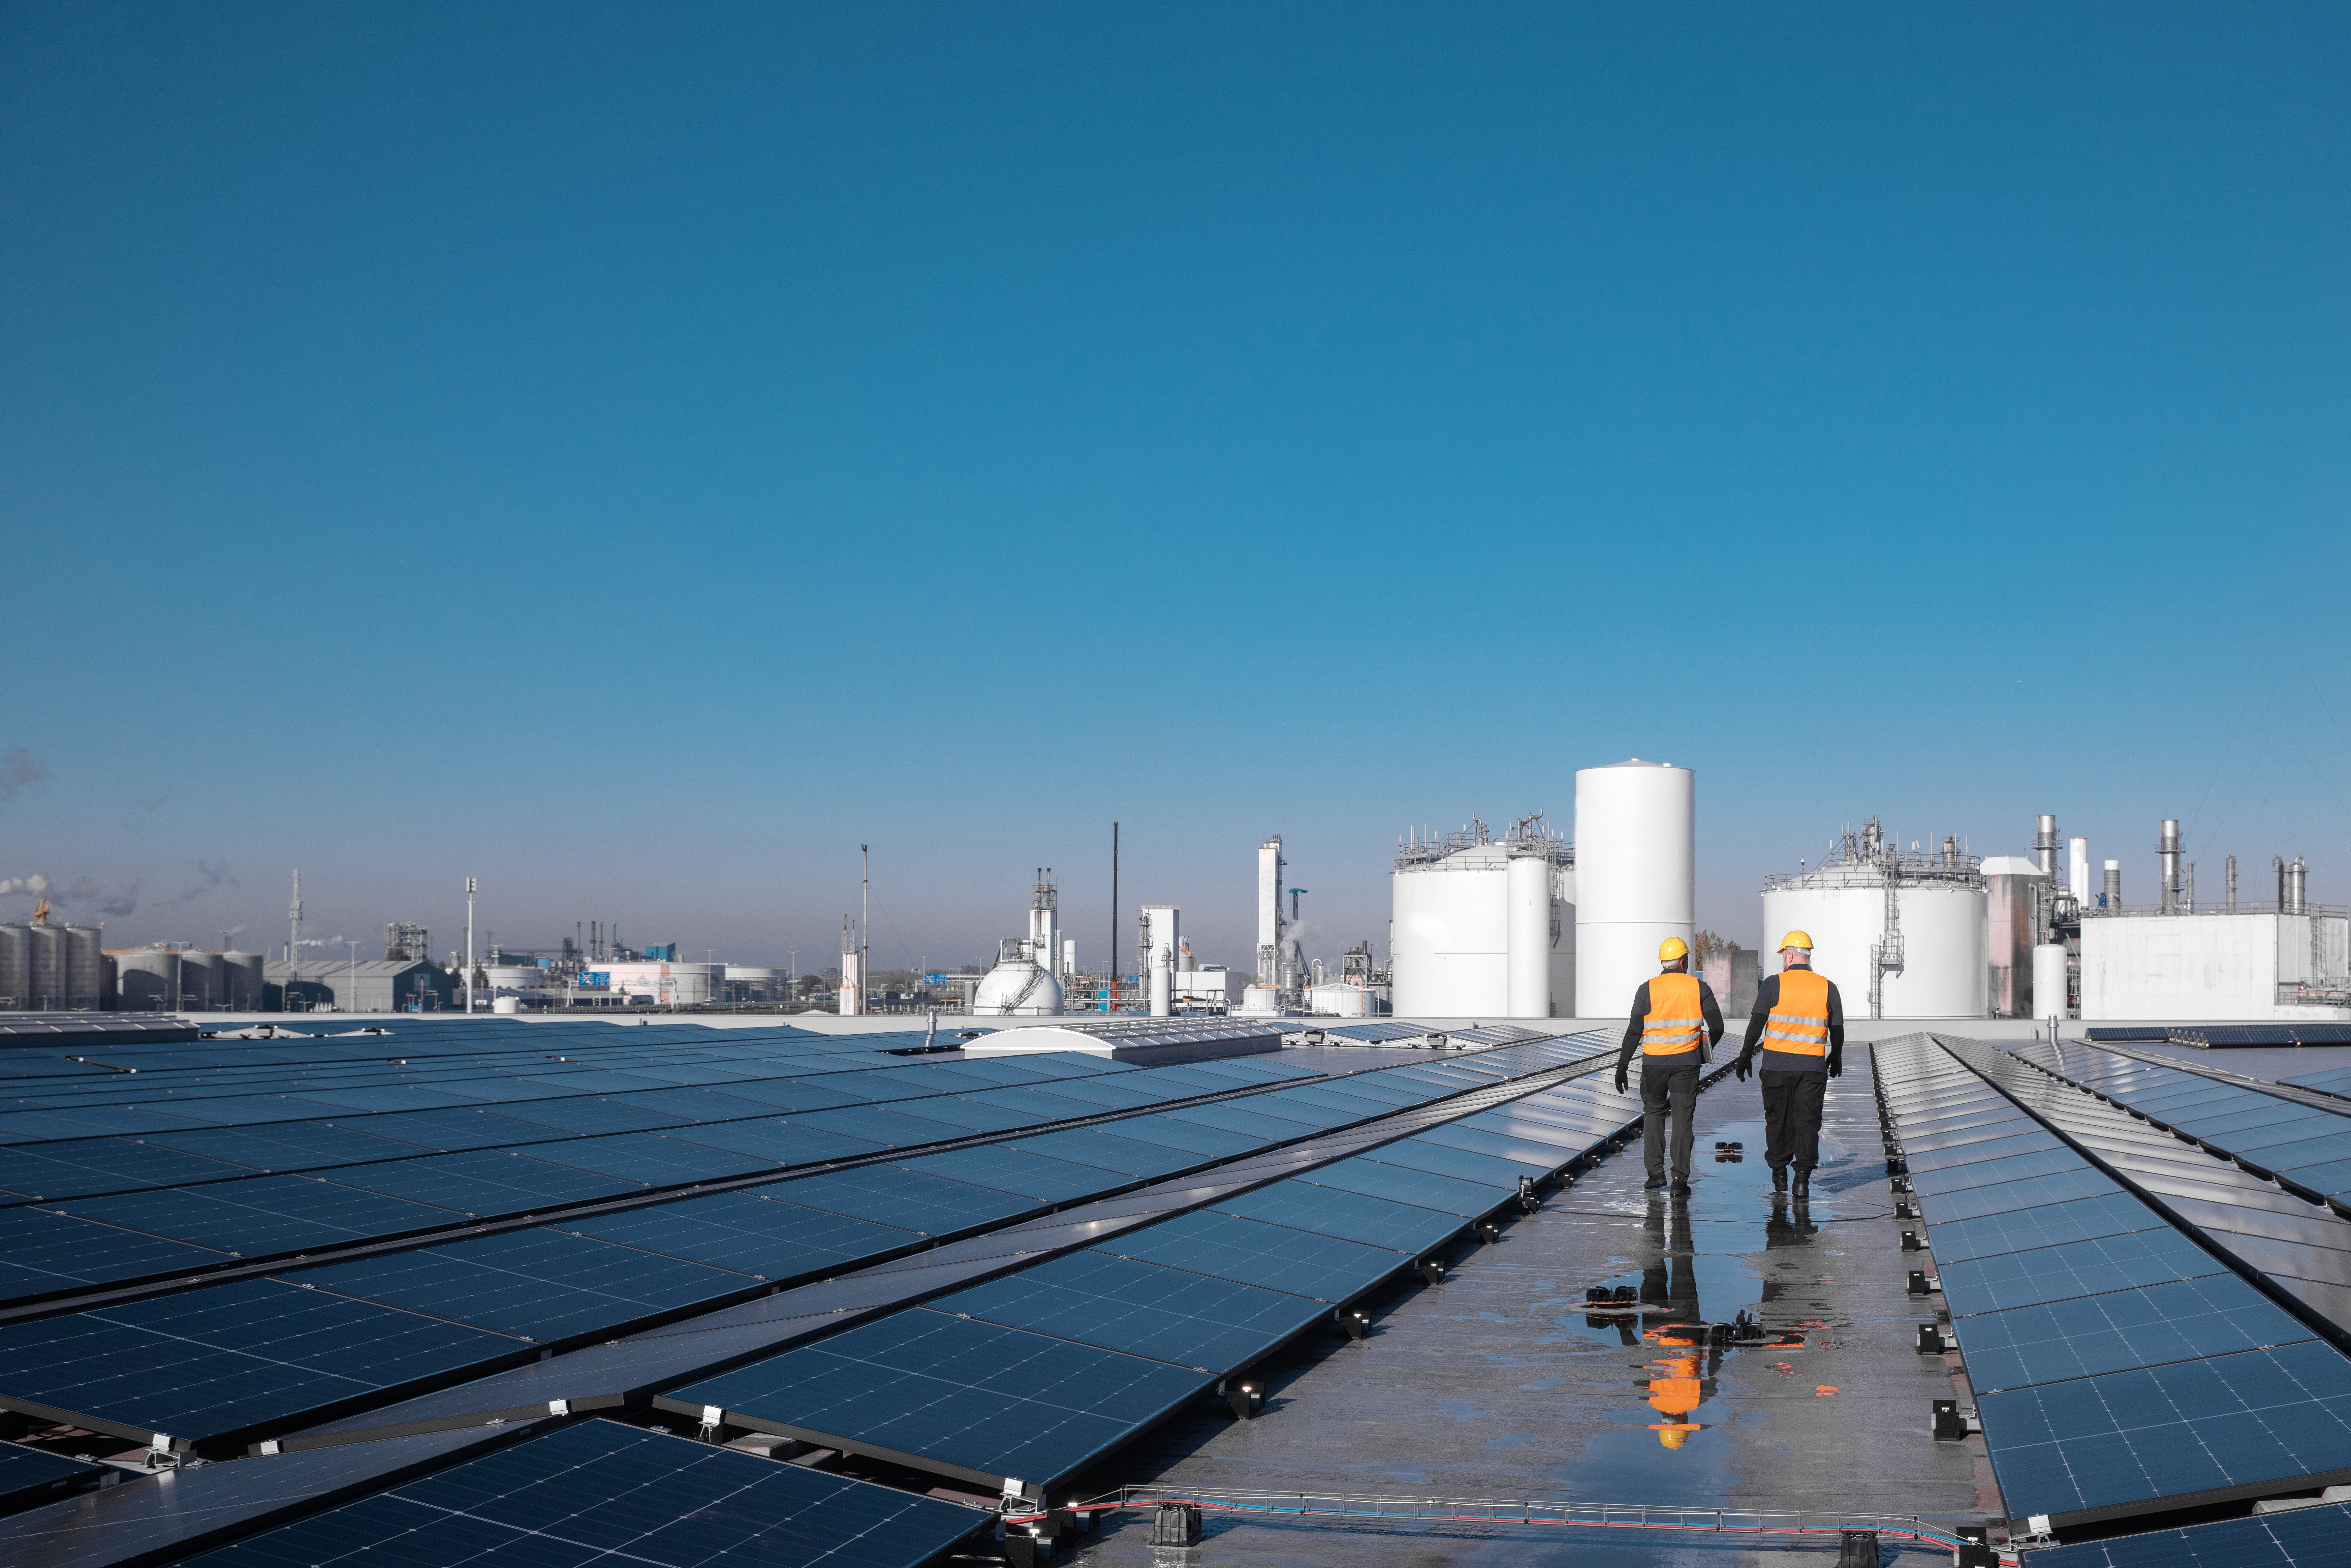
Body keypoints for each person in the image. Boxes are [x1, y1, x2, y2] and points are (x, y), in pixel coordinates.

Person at [1733, 930, 1846, 1199]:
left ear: (1791, 955)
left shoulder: (1773, 984)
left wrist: (1745, 1055)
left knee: (1777, 1121)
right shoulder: (1828, 987)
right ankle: (1802, 1180)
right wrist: (1836, 1054)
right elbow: (1838, 1028)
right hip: (1812, 1069)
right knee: (1807, 1123)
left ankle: (1779, 1172)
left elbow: (1757, 1023)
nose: (1783, 959)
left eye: (1784, 954)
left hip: (1776, 1068)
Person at [1614, 937, 1725, 1196]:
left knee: (1654, 1114)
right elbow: (1718, 1027)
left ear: (1663, 963)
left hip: (1654, 1064)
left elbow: (1634, 1031)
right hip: (1686, 1065)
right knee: (1682, 1120)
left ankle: (1655, 1175)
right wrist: (1702, 1053)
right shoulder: (1699, 987)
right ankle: (1679, 1180)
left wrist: (1622, 1067)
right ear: (1684, 962)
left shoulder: (1647, 989)